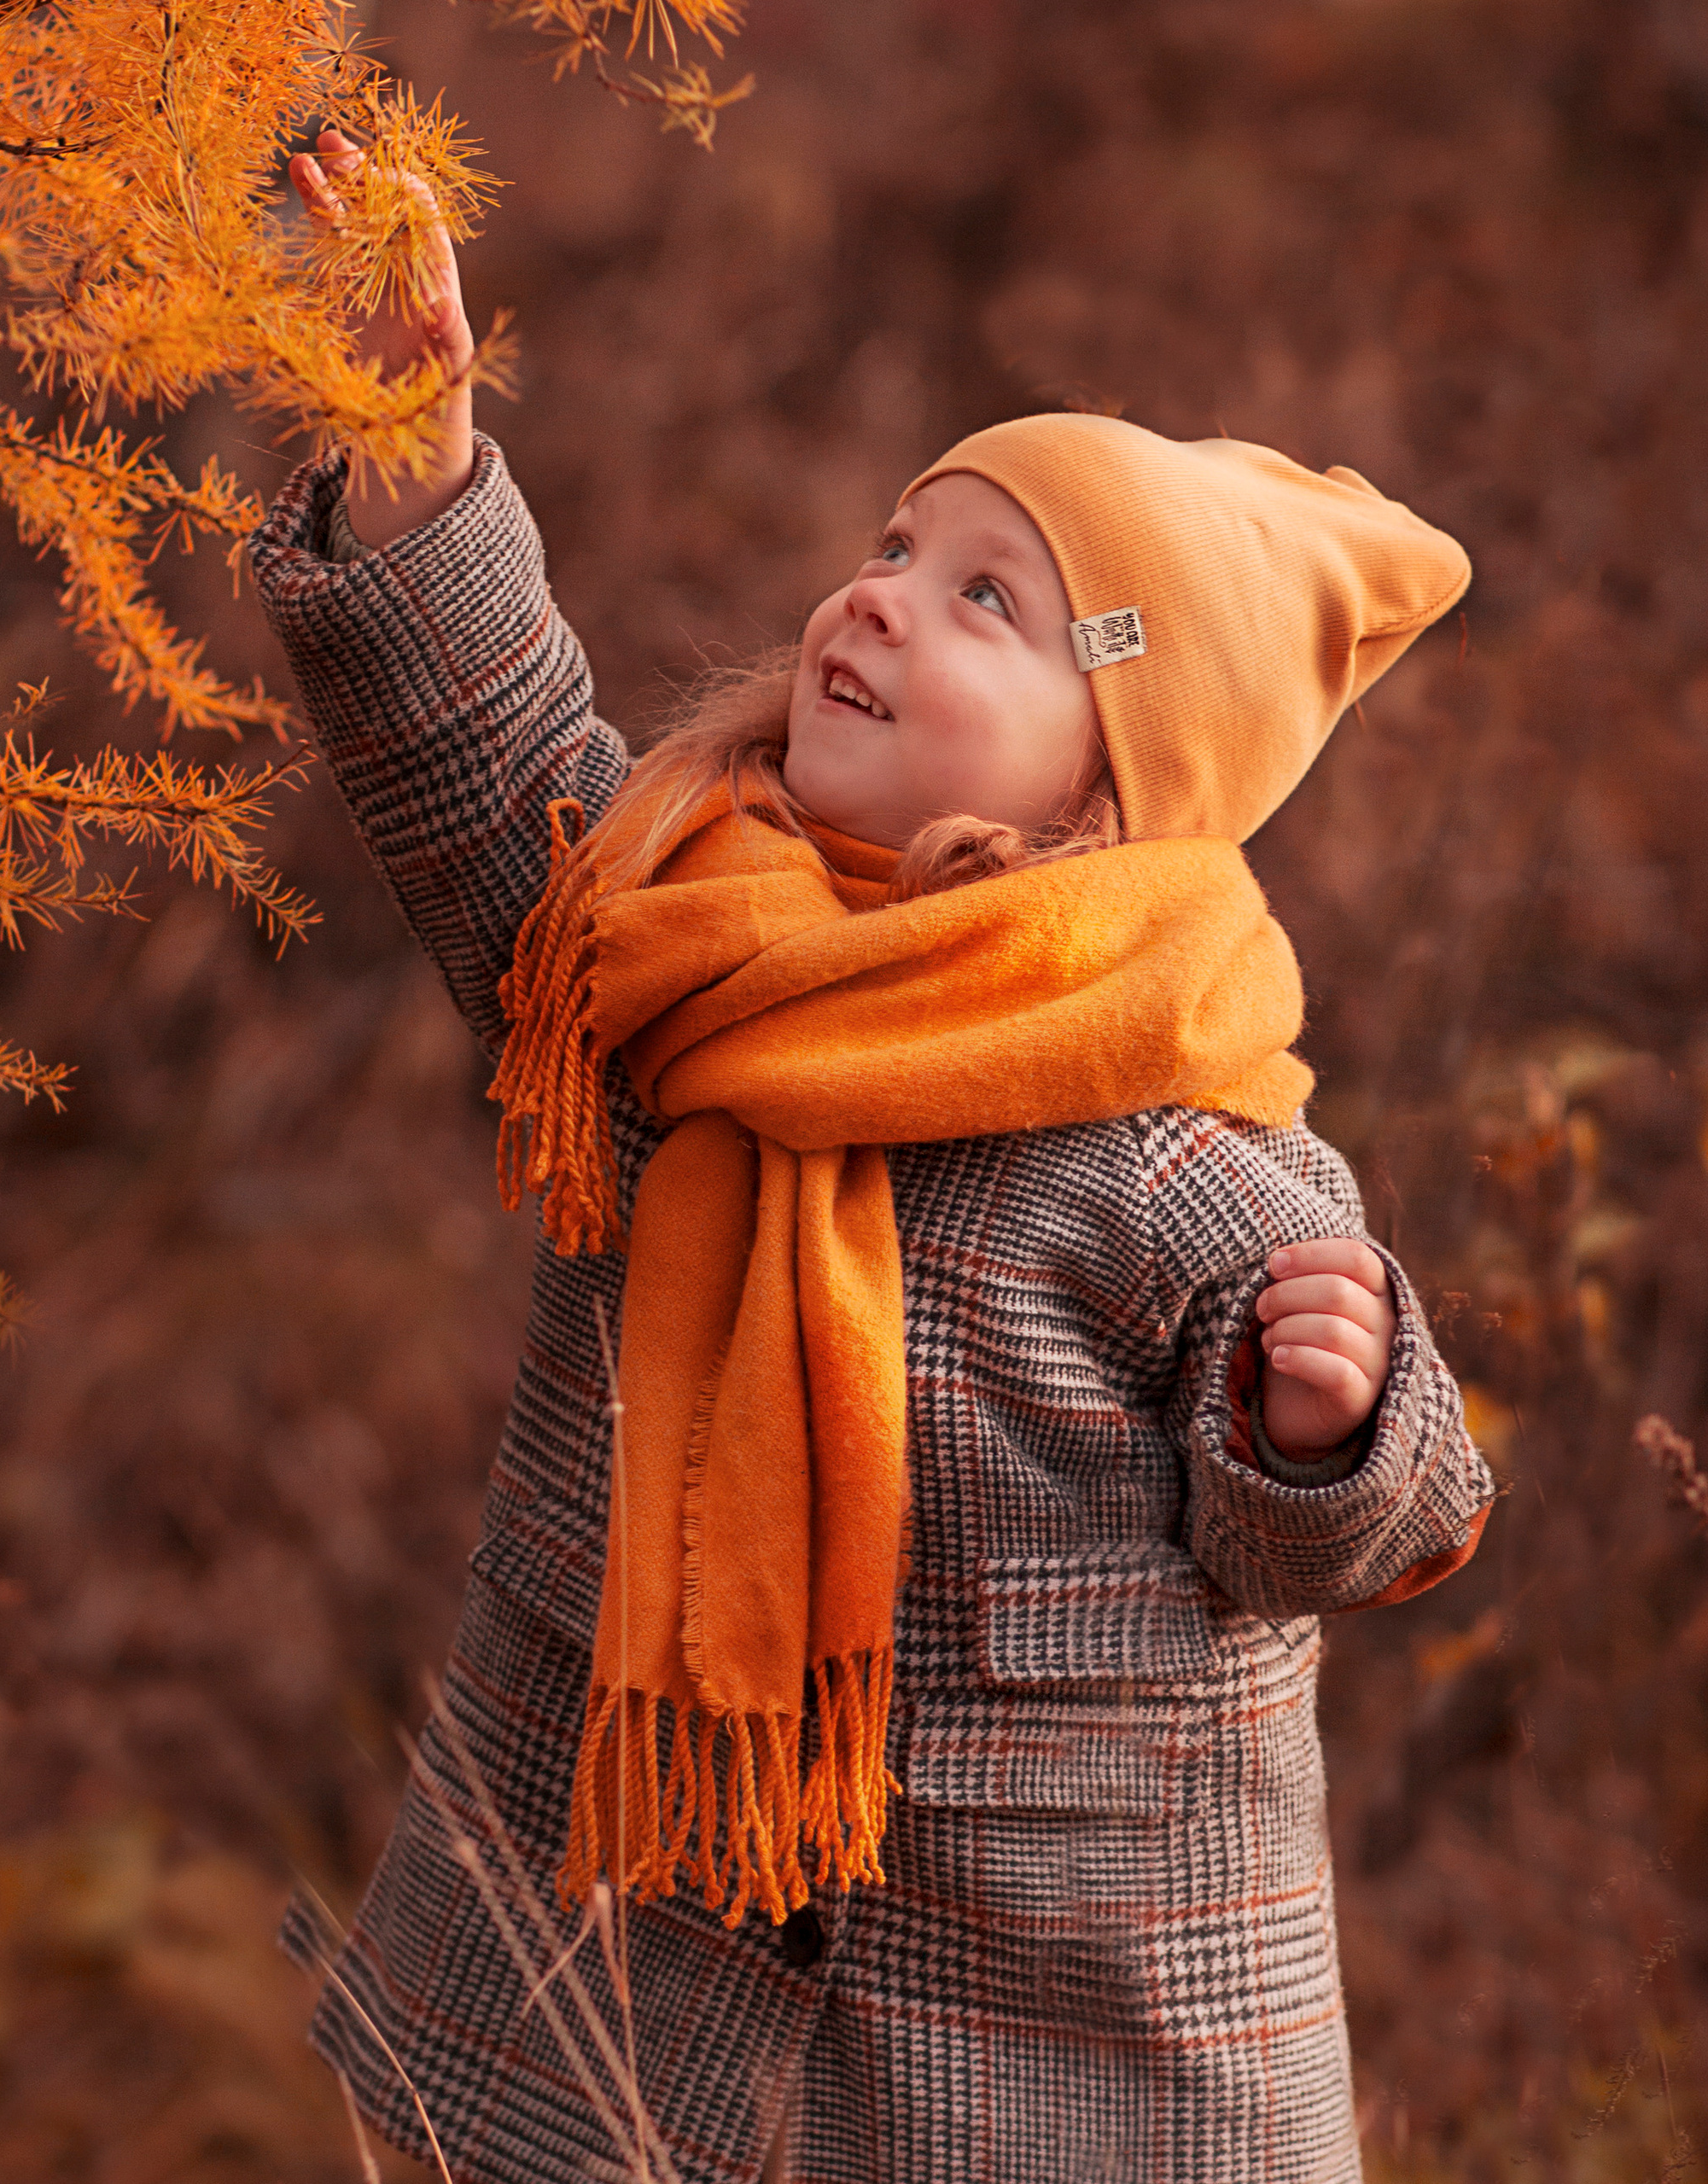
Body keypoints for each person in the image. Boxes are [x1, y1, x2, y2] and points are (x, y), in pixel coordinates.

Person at [253, 129, 1495, 2184]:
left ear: (1119, 778)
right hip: (619, 2013)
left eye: (986, 599)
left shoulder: (1177, 1143)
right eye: (897, 547)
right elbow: (476, 741)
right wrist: (412, 429)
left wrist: (1328, 1414)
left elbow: (1353, 1529)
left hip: (1054, 2060)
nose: (878, 601)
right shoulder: (675, 939)